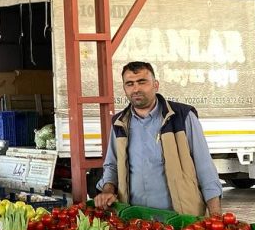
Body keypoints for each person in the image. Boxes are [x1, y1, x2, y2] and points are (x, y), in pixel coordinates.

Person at [92, 62, 222, 217]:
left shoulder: (182, 117)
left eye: (142, 82)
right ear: (124, 88)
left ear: (156, 85)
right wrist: (107, 190)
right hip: (135, 220)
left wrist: (215, 215)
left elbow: (205, 168)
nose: (136, 89)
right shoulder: (120, 123)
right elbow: (112, 166)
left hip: (180, 218)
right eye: (130, 84)